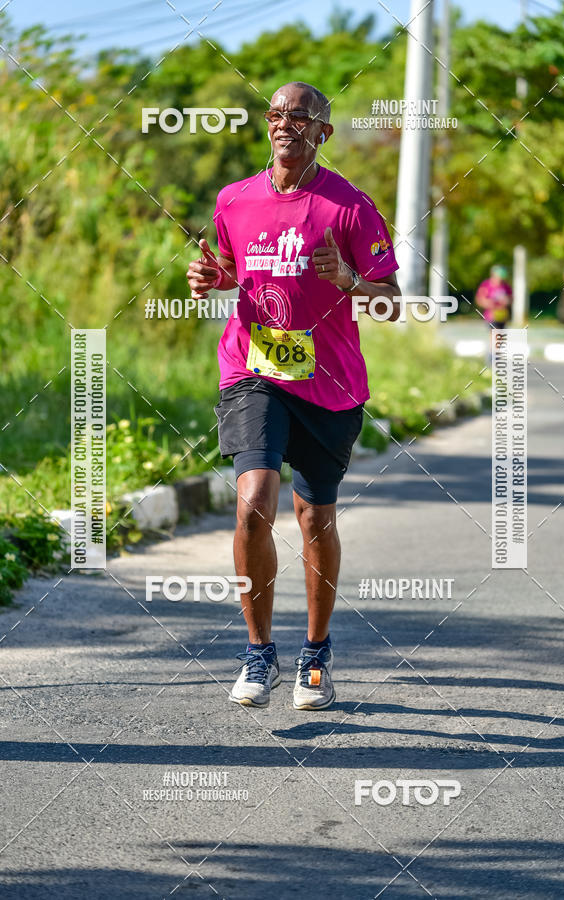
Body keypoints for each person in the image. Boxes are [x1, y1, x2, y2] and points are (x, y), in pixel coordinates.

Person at [186, 81, 400, 710]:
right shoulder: (234, 199)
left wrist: (351, 280)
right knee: (254, 500)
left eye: (299, 116)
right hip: (251, 369)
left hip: (329, 385)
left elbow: (391, 303)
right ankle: (258, 653)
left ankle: (316, 652)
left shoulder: (351, 207)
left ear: (322, 132)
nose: (285, 124)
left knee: (313, 517)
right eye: (276, 114)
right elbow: (235, 270)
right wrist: (211, 278)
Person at [475, 266, 513, 355]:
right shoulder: (486, 285)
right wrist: (489, 303)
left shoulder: (505, 286)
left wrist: (506, 301)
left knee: (500, 335)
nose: (500, 279)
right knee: (495, 333)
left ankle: (495, 354)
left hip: (502, 315)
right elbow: (479, 299)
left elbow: (511, 299)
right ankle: (492, 355)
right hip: (491, 315)